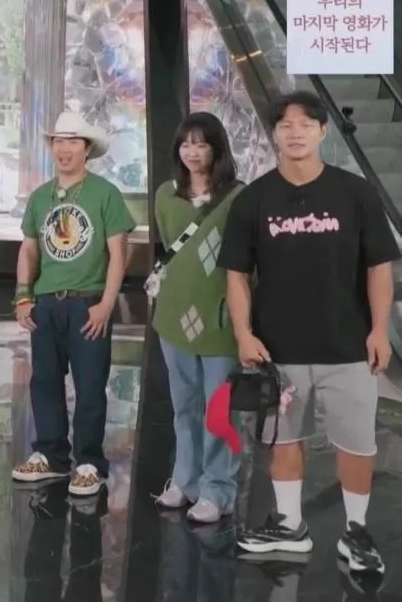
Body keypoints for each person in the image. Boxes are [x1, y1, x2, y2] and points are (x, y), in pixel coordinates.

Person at [219, 91, 398, 575]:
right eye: (285, 125)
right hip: (278, 349)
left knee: (356, 444)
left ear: (322, 131)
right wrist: (243, 334)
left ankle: (356, 533)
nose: (295, 133)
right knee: (283, 439)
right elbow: (236, 274)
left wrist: (380, 329)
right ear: (274, 134)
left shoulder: (355, 193)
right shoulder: (254, 199)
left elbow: (379, 266)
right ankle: (289, 526)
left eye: (305, 124)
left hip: (349, 345)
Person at [11, 110, 135, 498]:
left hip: (88, 304)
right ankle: (50, 455)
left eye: (72, 142)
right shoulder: (40, 196)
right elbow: (29, 249)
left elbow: (119, 254)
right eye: (58, 141)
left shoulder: (104, 193)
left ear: (87, 149)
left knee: (90, 385)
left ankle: (89, 463)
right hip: (46, 303)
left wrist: (106, 304)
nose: (63, 149)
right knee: (44, 382)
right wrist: (23, 296)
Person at [149, 112, 244, 523]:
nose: (192, 151)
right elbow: (170, 246)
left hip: (220, 318)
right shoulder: (165, 196)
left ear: (217, 149)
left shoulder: (238, 197)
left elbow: (247, 259)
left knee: (219, 411)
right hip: (173, 316)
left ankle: (218, 489)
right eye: (186, 143)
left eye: (201, 143)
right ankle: (185, 481)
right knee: (183, 405)